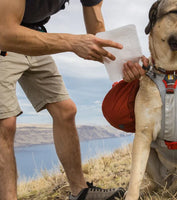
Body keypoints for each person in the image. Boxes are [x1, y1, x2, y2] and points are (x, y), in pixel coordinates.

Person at [0, 0, 126, 200]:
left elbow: (97, 36)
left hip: (34, 34)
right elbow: (5, 32)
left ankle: (80, 192)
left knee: (66, 110)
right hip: (4, 33)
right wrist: (73, 42)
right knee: (5, 123)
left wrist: (128, 63)